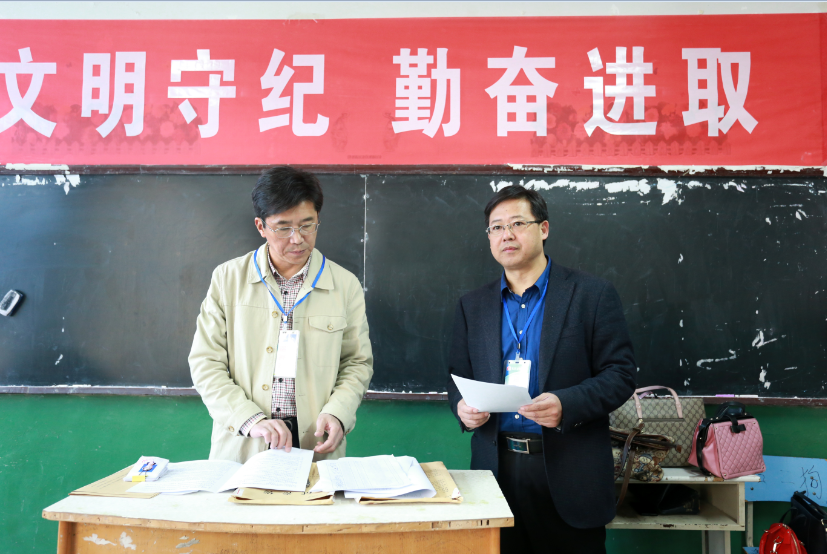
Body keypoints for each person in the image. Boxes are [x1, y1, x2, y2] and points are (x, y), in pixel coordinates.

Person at [447, 185, 636, 554]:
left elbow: (620, 374)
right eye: (496, 227)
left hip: (569, 471)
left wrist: (567, 403)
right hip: (495, 471)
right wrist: (461, 407)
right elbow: (457, 376)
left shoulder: (591, 294)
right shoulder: (473, 306)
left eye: (517, 223)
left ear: (544, 228)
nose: (506, 234)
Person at [189, 166, 373, 463]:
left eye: (307, 225)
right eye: (283, 227)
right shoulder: (228, 279)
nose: (297, 239)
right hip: (246, 438)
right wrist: (250, 419)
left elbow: (356, 363)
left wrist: (338, 412)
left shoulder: (344, 285)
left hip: (315, 440)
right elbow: (205, 362)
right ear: (261, 227)